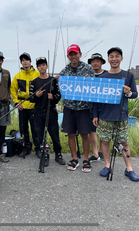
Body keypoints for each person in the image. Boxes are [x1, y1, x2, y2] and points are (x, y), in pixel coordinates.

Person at [92, 47, 139, 182]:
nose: (114, 59)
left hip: (121, 116)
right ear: (108, 59)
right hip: (105, 116)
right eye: (111, 56)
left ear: (121, 58)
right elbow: (96, 99)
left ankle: (129, 168)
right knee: (105, 142)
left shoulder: (128, 75)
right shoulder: (102, 77)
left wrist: (128, 93)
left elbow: (135, 94)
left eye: (117, 56)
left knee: (124, 143)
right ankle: (107, 166)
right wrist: (95, 115)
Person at [56, 44, 95, 172]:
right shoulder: (64, 71)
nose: (73, 56)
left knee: (85, 134)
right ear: (68, 56)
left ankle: (85, 159)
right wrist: (57, 80)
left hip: (84, 108)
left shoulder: (88, 68)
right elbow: (59, 86)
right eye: (70, 54)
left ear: (80, 54)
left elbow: (94, 86)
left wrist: (91, 80)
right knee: (71, 134)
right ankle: (74, 159)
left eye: (75, 54)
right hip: (69, 107)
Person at [30, 57, 65, 166]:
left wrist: (53, 97)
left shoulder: (54, 80)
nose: (41, 67)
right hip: (38, 113)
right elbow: (31, 98)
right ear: (37, 68)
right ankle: (44, 154)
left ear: (46, 66)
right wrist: (36, 95)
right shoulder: (34, 82)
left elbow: (59, 96)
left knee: (55, 135)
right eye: (39, 65)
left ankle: (58, 154)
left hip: (51, 112)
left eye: (43, 64)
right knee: (40, 136)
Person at [11, 52, 40, 157]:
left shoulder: (37, 74)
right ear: (21, 63)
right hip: (22, 107)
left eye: (26, 60)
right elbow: (13, 91)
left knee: (35, 129)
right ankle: (26, 147)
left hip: (34, 107)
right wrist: (16, 103)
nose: (25, 62)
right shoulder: (17, 76)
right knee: (24, 130)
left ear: (30, 61)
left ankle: (38, 148)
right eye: (23, 60)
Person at [87, 53, 108, 162]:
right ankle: (95, 153)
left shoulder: (107, 75)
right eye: (93, 61)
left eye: (97, 61)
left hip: (104, 106)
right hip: (91, 106)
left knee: (103, 129)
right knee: (92, 129)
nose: (95, 63)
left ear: (102, 62)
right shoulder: (88, 75)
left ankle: (101, 150)